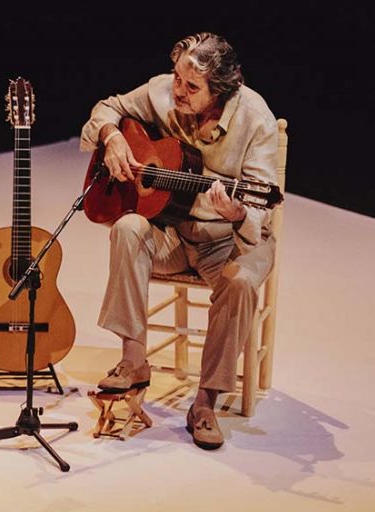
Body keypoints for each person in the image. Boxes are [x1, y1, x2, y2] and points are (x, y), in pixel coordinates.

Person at [80, 32, 278, 450]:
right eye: (176, 78)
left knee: (241, 283)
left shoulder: (255, 120)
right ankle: (134, 361)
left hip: (229, 240)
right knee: (128, 227)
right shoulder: (164, 93)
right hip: (174, 232)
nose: (178, 91)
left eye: (191, 87)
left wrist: (238, 211)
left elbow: (260, 204)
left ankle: (206, 400)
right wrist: (112, 137)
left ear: (220, 90)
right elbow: (107, 108)